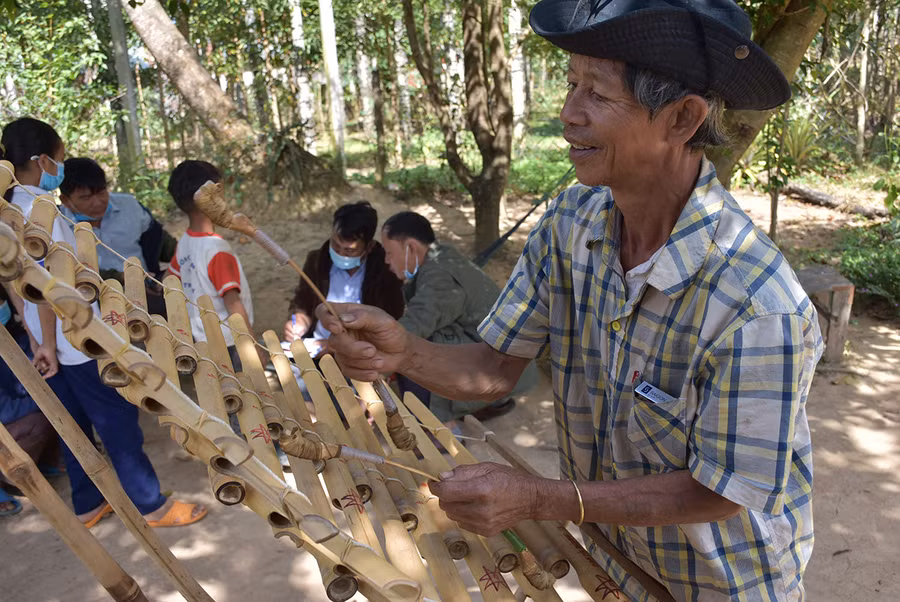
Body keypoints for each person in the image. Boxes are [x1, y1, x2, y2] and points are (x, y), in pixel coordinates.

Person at [316, 1, 823, 599]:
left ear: (683, 118)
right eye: (571, 85)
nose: (568, 115)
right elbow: (494, 368)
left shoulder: (757, 306)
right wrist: (402, 352)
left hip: (722, 587)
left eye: (598, 95)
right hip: (613, 564)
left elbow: (718, 492)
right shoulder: (571, 227)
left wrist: (541, 499)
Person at [1, 117, 207, 528]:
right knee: (117, 420)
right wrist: (46, 339)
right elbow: (46, 282)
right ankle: (152, 505)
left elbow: (11, 279)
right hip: (76, 340)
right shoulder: (36, 211)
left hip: (49, 339)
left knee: (72, 426)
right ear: (42, 160)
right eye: (58, 158)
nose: (59, 167)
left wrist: (32, 331)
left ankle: (88, 504)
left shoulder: (9, 210)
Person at [380, 211, 534, 426]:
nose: (387, 260)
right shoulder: (442, 255)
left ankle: (441, 426)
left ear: (411, 248)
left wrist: (375, 364)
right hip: (504, 355)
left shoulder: (440, 278)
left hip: (501, 366)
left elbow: (413, 327)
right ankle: (492, 403)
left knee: (413, 349)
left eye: (389, 252)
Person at [284, 201, 404, 359]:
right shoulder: (317, 261)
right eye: (335, 245)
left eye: (349, 250)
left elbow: (391, 321)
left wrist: (333, 346)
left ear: (369, 247)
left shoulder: (386, 270)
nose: (340, 254)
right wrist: (297, 320)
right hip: (315, 349)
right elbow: (301, 303)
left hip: (363, 354)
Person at [59, 157, 176, 315]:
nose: (97, 202)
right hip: (96, 300)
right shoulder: (59, 226)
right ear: (65, 200)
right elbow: (68, 272)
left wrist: (172, 270)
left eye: (101, 192)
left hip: (148, 289)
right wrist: (121, 277)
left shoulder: (130, 207)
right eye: (86, 198)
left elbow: (164, 244)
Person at [166, 160, 256, 362]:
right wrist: (253, 348)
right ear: (212, 196)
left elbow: (169, 279)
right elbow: (233, 302)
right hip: (232, 341)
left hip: (203, 340)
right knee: (243, 389)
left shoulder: (185, 242)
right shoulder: (217, 249)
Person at [0, 288, 59, 517]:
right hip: (10, 421)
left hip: (21, 411)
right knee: (45, 414)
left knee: (55, 403)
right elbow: (5, 411)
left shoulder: (20, 338)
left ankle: (42, 461)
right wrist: (44, 400)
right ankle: (9, 476)